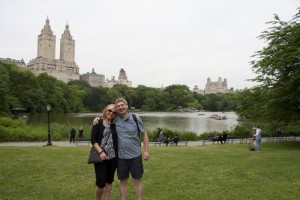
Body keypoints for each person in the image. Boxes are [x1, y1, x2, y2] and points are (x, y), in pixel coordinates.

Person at [114, 98, 149, 200]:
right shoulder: (115, 119)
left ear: (127, 106)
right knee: (122, 181)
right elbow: (106, 117)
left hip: (135, 156)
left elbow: (144, 134)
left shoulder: (135, 118)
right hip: (121, 157)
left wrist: (146, 150)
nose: (120, 107)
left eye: (122, 105)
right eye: (118, 106)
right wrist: (97, 119)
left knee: (137, 181)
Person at [90, 104, 118, 200]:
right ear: (106, 110)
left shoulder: (116, 124)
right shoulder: (98, 122)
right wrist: (101, 152)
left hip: (113, 157)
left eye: (114, 112)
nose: (111, 113)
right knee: (101, 182)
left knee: (109, 181)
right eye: (109, 111)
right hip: (100, 156)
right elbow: (93, 140)